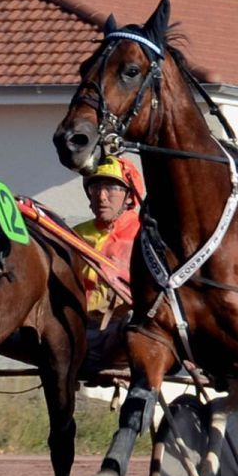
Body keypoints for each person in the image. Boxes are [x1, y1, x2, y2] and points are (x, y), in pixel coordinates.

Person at [71, 155, 145, 373]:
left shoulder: (144, 236)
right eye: (95, 189)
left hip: (121, 331)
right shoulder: (73, 235)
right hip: (78, 329)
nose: (102, 197)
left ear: (130, 197)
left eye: (111, 188)